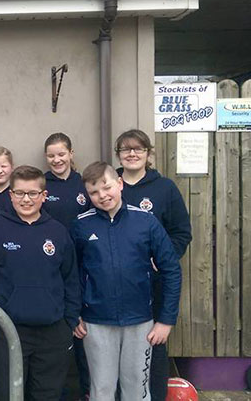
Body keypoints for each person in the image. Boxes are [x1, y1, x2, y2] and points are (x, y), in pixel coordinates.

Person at [70, 162, 181, 401]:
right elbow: (72, 274)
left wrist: (166, 320)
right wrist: (74, 313)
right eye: (94, 192)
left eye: (107, 187)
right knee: (101, 389)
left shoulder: (146, 222)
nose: (102, 195)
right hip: (96, 322)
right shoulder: (81, 225)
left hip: (140, 321)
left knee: (137, 389)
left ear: (120, 183)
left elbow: (171, 270)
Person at [0, 166, 81, 401]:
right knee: (6, 394)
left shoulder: (57, 231)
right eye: (20, 193)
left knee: (47, 395)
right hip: (9, 328)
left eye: (33, 193)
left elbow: (70, 279)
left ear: (44, 196)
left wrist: (70, 319)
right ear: (10, 195)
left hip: (53, 330)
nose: (26, 199)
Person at [114, 129, 192, 401]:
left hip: (152, 286)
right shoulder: (110, 185)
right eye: (125, 149)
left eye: (138, 149)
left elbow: (181, 232)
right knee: (115, 350)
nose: (132, 154)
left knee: (153, 347)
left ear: (148, 153)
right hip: (115, 286)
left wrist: (162, 259)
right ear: (118, 155)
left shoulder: (164, 188)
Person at [41, 132, 91, 400]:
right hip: (53, 269)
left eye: (61, 154)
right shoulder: (42, 185)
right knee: (58, 341)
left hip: (85, 267)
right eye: (51, 155)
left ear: (71, 154)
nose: (57, 159)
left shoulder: (84, 184)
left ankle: (88, 392)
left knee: (84, 337)